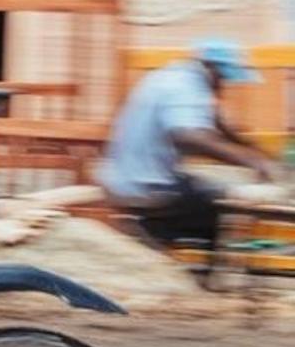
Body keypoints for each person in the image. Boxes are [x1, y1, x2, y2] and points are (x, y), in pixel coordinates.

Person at [103, 39, 282, 247]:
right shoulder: (186, 86)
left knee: (205, 192)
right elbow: (189, 136)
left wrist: (251, 149)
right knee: (220, 210)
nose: (224, 84)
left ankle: (163, 244)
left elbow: (216, 122)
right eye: (223, 78)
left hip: (121, 179)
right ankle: (175, 259)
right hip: (144, 187)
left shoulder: (173, 76)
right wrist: (251, 161)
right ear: (213, 69)